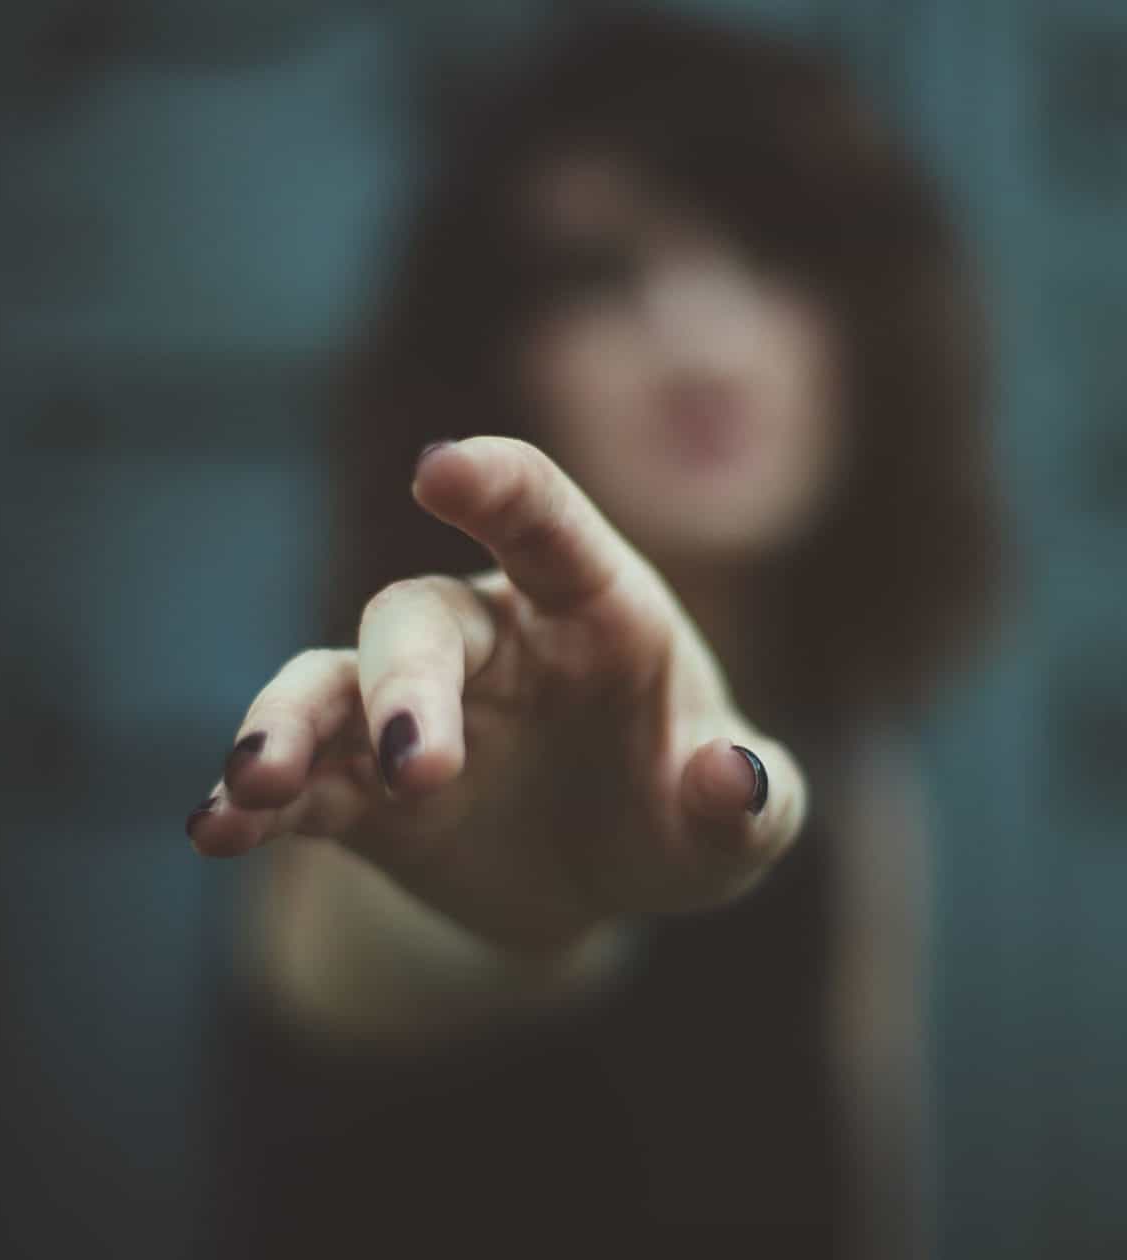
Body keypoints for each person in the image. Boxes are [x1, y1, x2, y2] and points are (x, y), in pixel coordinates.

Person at [187, 11, 1003, 1257]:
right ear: (502, 367)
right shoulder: (387, 748)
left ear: (870, 337)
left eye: (769, 257)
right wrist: (517, 886)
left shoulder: (862, 790)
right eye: (597, 277)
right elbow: (366, 946)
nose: (701, 344)